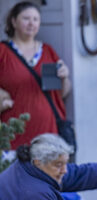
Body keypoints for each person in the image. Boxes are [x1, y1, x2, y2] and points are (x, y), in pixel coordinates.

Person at [0, 1, 72, 150]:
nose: (31, 23)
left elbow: (61, 94)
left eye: (35, 19)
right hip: (13, 134)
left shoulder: (47, 51)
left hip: (48, 133)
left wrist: (64, 78)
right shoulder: (3, 52)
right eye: (26, 18)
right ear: (13, 21)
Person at [0, 133, 97, 200]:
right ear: (38, 161)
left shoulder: (29, 166)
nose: (64, 170)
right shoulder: (36, 193)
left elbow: (74, 174)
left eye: (65, 163)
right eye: (58, 165)